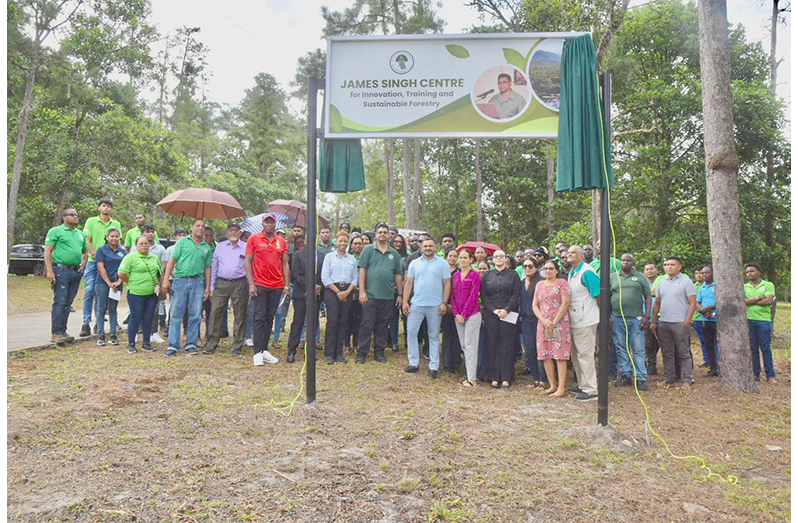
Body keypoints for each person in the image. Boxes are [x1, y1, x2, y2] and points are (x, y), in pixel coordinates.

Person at [162, 219, 212, 357]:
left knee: (195, 315)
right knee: (176, 314)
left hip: (198, 282)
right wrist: (166, 279)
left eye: (203, 226)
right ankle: (173, 345)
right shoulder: (182, 242)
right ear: (192, 228)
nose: (200, 228)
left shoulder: (206, 247)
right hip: (180, 281)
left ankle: (190, 344)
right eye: (197, 226)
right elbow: (172, 261)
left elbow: (208, 268)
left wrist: (208, 286)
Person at [402, 238, 451, 379]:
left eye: (430, 246)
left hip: (436, 305)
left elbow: (447, 284)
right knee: (411, 332)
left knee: (433, 335)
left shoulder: (442, 263)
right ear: (421, 248)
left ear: (435, 247)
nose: (428, 248)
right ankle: (414, 363)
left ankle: (434, 366)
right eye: (425, 246)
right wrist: (405, 301)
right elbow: (409, 283)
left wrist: (444, 302)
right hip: (417, 304)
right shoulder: (414, 263)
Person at [356, 222, 404, 364]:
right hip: (370, 295)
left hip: (388, 296)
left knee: (383, 325)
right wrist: (362, 291)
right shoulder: (368, 250)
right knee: (366, 324)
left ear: (389, 235)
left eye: (385, 232)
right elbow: (362, 270)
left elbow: (398, 275)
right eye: (380, 232)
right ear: (376, 234)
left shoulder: (394, 253)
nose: (382, 234)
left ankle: (379, 352)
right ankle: (362, 353)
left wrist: (400, 294)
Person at [245, 214, 289, 366]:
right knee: (259, 317)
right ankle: (257, 352)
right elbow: (248, 261)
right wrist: (251, 284)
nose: (270, 225)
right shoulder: (254, 239)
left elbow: (285, 264)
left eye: (272, 222)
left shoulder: (281, 241)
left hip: (276, 285)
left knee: (270, 317)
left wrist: (286, 284)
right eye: (267, 222)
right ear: (263, 224)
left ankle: (264, 349)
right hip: (260, 284)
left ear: (275, 224)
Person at [650, 256, 697, 389]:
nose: (669, 267)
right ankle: (669, 378)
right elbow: (657, 303)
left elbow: (692, 302)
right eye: (666, 264)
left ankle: (687, 379)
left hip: (679, 322)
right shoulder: (661, 282)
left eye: (672, 264)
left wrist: (687, 320)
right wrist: (654, 320)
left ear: (679, 266)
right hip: (664, 322)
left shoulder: (686, 282)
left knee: (683, 352)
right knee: (667, 352)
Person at [205, 222, 249, 356]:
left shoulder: (246, 247)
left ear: (240, 232)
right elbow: (214, 268)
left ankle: (237, 345)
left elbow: (249, 268)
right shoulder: (220, 246)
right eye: (231, 230)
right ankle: (212, 343)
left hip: (240, 283)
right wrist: (211, 287)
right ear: (227, 232)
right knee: (215, 312)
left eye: (236, 230)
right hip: (221, 283)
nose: (233, 233)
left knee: (240, 314)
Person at [609, 254, 652, 391]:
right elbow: (607, 296)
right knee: (621, 347)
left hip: (636, 318)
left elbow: (648, 296)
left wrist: (647, 316)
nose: (625, 262)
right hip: (617, 318)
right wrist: (608, 316)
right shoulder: (613, 276)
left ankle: (641, 378)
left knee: (638, 348)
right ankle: (625, 375)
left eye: (628, 260)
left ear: (633, 263)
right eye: (623, 260)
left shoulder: (640, 277)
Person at [45, 208, 88, 343]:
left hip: (75, 272)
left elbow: (85, 251)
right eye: (72, 215)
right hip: (60, 270)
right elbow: (48, 250)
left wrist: (83, 264)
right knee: (60, 301)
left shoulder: (80, 234)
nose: (75, 217)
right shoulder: (56, 231)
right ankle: (56, 332)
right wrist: (50, 270)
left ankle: (63, 331)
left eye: (77, 215)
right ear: (64, 217)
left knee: (68, 303)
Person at [481, 250, 521, 388]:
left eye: (501, 256)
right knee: (492, 344)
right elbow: (484, 296)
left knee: (507, 344)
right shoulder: (487, 275)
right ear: (492, 259)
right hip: (491, 314)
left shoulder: (513, 275)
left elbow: (516, 295)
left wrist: (506, 310)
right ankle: (494, 377)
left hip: (509, 314)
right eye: (495, 257)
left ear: (506, 259)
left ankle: (506, 377)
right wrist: (494, 310)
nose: (498, 259)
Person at [81, 198, 122, 337]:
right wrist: (95, 254)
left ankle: (99, 324)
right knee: (89, 290)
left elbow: (117, 241)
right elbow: (87, 241)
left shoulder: (115, 224)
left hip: (109, 263)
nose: (106, 208)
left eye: (109, 206)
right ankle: (86, 322)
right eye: (104, 206)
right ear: (99, 208)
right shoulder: (91, 221)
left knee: (102, 294)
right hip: (94, 261)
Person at [566, 245, 601, 402]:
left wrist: (602, 316)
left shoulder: (587, 272)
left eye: (573, 253)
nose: (569, 255)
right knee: (576, 354)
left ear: (581, 256)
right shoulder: (572, 272)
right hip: (574, 319)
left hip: (586, 319)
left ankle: (591, 389)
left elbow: (598, 294)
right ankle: (582, 384)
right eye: (568, 253)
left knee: (585, 355)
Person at [533, 259, 572, 397]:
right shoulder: (539, 284)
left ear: (557, 270)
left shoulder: (562, 283)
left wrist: (554, 321)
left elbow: (565, 303)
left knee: (560, 354)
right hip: (543, 324)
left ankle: (561, 388)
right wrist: (543, 320)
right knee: (546, 353)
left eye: (551, 268)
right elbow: (535, 305)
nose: (548, 271)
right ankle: (552, 385)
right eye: (546, 269)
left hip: (560, 323)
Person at [118, 235, 163, 354]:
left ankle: (146, 343)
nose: (144, 246)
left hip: (151, 295)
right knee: (135, 317)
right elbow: (122, 274)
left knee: (148, 318)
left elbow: (160, 273)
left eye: (146, 243)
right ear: (136, 245)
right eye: (141, 244)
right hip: (136, 294)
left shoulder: (154, 258)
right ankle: (131, 344)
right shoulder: (130, 257)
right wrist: (132, 282)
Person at [321, 231, 359, 364]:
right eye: (340, 241)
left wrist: (346, 292)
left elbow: (355, 278)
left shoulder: (352, 259)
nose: (343, 244)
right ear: (336, 242)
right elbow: (325, 277)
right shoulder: (329, 257)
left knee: (343, 322)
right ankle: (329, 354)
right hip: (332, 291)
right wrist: (338, 292)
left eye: (345, 241)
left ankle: (339, 353)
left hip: (347, 291)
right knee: (332, 322)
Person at [286, 236, 323, 363]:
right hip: (301, 294)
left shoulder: (322, 256)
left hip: (316, 295)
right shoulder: (297, 255)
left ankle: (310, 352)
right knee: (298, 322)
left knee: (312, 323)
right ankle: (291, 350)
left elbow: (323, 274)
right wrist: (310, 286)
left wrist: (318, 286)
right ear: (305, 241)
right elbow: (296, 274)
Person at [451, 249, 482, 387]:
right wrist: (457, 314)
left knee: (471, 345)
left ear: (471, 260)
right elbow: (452, 296)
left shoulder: (475, 275)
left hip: (472, 314)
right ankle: (469, 374)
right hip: (458, 316)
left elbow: (473, 296)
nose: (462, 260)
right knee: (464, 345)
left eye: (465, 258)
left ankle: (472, 379)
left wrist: (464, 314)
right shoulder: (456, 276)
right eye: (460, 258)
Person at [744, 263, 776, 383]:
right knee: (753, 348)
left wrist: (750, 301)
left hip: (763, 320)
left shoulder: (768, 285)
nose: (749, 274)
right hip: (749, 320)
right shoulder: (744, 286)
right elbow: (743, 301)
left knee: (765, 348)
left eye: (752, 271)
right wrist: (758, 298)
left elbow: (768, 301)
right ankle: (756, 374)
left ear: (759, 273)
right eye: (747, 272)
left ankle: (770, 375)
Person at [95, 228, 126, 346]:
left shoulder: (122, 251)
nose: (114, 238)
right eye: (112, 236)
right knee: (101, 308)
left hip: (118, 284)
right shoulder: (101, 250)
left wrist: (118, 281)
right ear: (107, 237)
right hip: (103, 283)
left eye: (117, 236)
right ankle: (101, 335)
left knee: (113, 309)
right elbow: (100, 267)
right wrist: (109, 283)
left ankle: (113, 335)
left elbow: (125, 268)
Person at [520, 256, 545, 387]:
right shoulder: (521, 282)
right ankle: (535, 378)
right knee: (529, 349)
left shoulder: (541, 282)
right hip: (525, 319)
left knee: (542, 349)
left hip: (539, 319)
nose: (527, 269)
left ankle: (544, 379)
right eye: (525, 266)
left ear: (536, 268)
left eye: (530, 266)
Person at [141, 224, 168, 343]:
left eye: (152, 231)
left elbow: (163, 266)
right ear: (142, 233)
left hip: (155, 281)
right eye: (148, 232)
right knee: (139, 308)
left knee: (155, 308)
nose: (151, 234)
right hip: (141, 282)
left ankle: (154, 332)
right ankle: (139, 332)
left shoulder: (160, 249)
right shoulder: (135, 247)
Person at [440, 248, 462, 373]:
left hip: (457, 307)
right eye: (450, 256)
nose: (453, 258)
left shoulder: (460, 272)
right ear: (446, 257)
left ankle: (456, 363)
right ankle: (447, 364)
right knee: (447, 335)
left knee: (457, 334)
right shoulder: (442, 271)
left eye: (455, 256)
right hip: (444, 306)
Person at [696, 266, 719, 377]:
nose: (705, 275)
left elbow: (721, 301)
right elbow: (697, 302)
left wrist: (708, 307)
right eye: (703, 273)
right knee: (708, 343)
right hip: (705, 319)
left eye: (707, 273)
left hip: (717, 319)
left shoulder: (718, 286)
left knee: (718, 343)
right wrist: (702, 310)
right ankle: (713, 368)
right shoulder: (702, 287)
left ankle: (720, 366)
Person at [344, 234, 365, 355]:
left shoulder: (366, 257)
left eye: (359, 243)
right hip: (349, 291)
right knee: (347, 319)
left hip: (361, 293)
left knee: (358, 320)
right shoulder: (348, 258)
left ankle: (356, 344)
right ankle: (347, 345)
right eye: (355, 243)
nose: (357, 246)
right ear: (351, 245)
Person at [642, 261, 662, 375]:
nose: (649, 271)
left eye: (651, 269)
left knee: (661, 342)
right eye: (647, 269)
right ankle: (651, 366)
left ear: (656, 270)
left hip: (661, 316)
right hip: (647, 316)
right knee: (648, 344)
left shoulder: (662, 282)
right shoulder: (642, 283)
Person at [692, 268, 710, 368]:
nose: (699, 275)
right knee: (702, 340)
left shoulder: (709, 286)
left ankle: (714, 359)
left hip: (709, 316)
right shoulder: (692, 286)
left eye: (701, 273)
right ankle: (706, 359)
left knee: (711, 339)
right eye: (696, 273)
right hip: (697, 317)